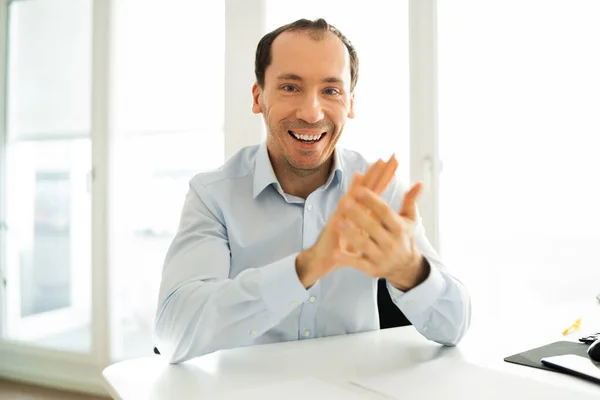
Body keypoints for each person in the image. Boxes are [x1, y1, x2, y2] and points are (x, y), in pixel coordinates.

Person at [154, 18, 471, 364]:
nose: (311, 112)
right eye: (290, 87)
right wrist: (306, 267)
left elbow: (454, 327)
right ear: (258, 96)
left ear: (350, 103)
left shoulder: (379, 190)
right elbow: (173, 333)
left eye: (331, 91)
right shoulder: (212, 195)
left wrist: (409, 269)